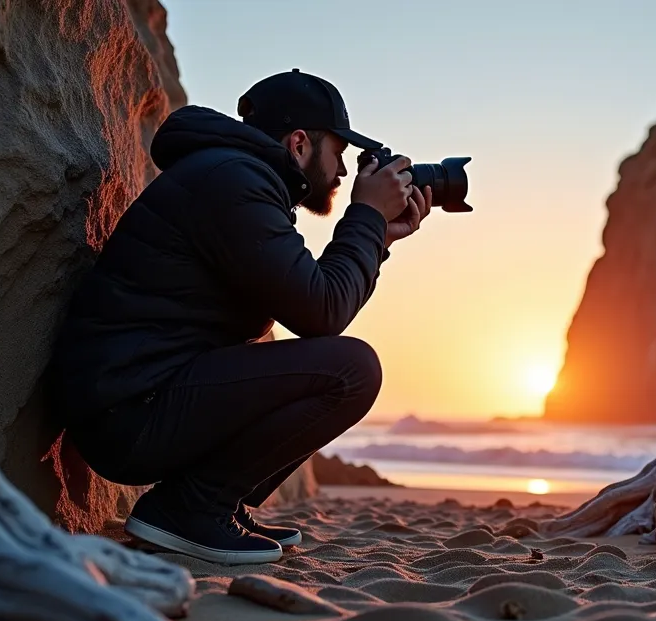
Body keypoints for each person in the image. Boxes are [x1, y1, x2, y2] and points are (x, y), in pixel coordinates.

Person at [47, 68, 430, 564]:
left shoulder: (233, 178)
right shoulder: (233, 182)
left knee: (303, 359)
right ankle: (190, 508)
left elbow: (314, 301)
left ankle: (214, 501)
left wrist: (377, 236)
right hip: (127, 411)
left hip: (132, 396)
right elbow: (323, 310)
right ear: (298, 144)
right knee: (351, 370)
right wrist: (367, 217)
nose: (342, 172)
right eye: (339, 152)